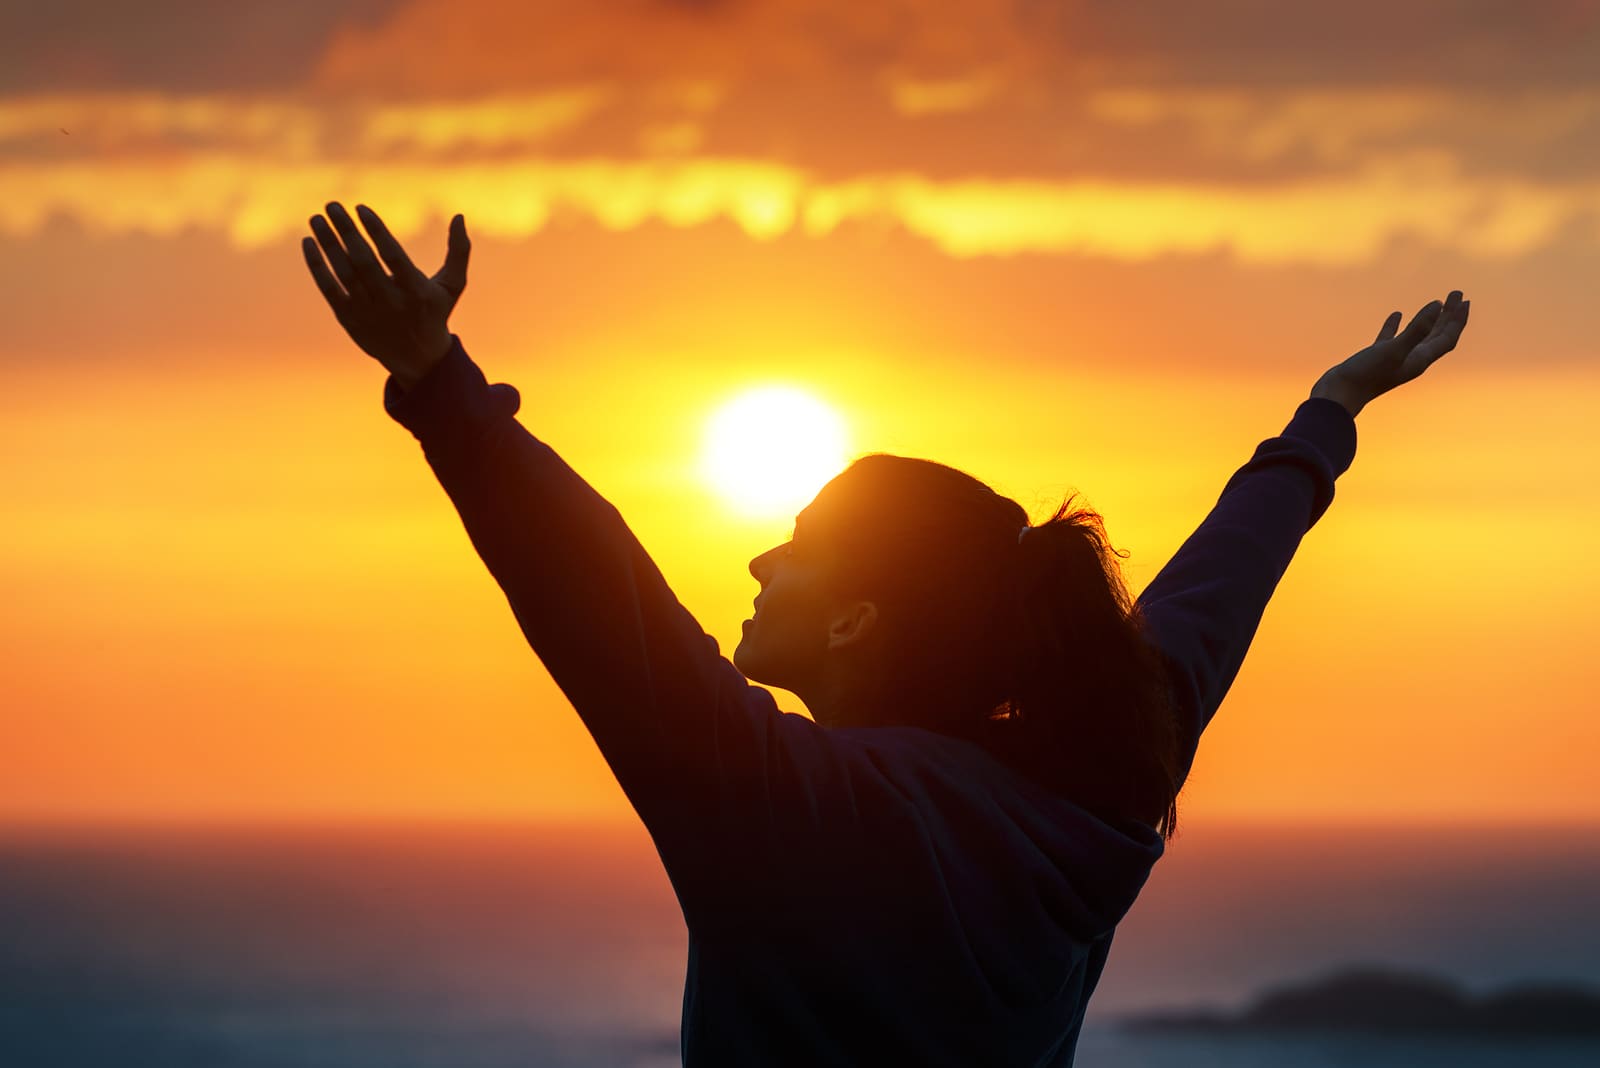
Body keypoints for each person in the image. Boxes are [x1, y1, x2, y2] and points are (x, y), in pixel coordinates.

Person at [301, 201, 1470, 1066]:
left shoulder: (795, 812)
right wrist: (1324, 420)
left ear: (860, 615)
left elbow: (601, 606)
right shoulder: (1093, 794)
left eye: (799, 544)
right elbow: (1210, 599)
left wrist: (439, 384)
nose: (760, 560)